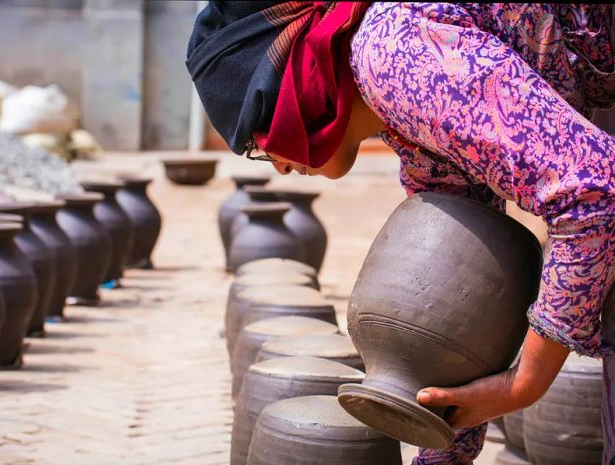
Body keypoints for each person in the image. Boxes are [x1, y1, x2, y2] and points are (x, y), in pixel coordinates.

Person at [187, 2, 615, 464]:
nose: (281, 167)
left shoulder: (390, 53)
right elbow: (473, 300)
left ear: (293, 82)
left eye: (260, 140)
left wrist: (524, 384)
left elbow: (593, 197)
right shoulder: (406, 127)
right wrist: (440, 449)